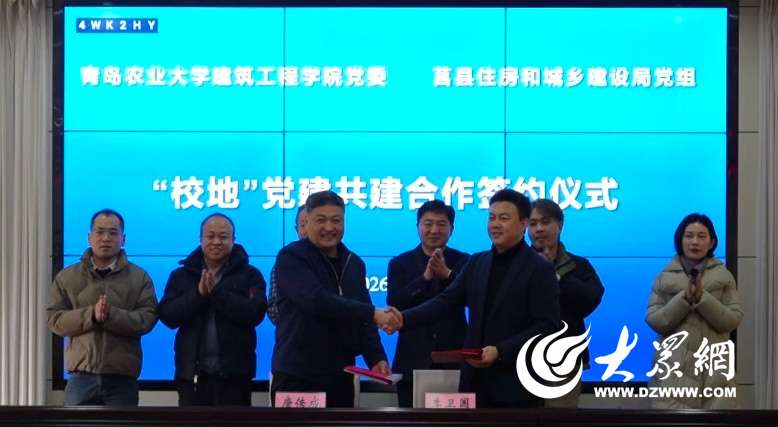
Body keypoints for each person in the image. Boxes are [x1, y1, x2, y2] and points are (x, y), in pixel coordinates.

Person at [390, 189, 560, 408]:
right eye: (492, 218)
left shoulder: (539, 268)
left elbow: (547, 325)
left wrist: (500, 351)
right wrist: (403, 318)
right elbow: (446, 301)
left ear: (523, 223)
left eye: (503, 218)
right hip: (474, 383)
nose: (495, 224)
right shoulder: (478, 262)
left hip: (517, 385)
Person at [271, 191, 398, 408]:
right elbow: (317, 301)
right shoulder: (291, 257)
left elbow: (363, 318)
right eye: (321, 220)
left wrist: (376, 358)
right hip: (298, 376)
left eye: (336, 220)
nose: (329, 227)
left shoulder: (354, 263)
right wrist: (373, 314)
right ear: (307, 222)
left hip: (341, 376)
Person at [47, 209, 158, 406]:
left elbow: (147, 319)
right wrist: (91, 315)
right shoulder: (67, 277)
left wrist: (110, 316)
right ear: (89, 237)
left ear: (123, 239)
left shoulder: (139, 277)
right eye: (99, 231)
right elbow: (55, 320)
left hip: (122, 380)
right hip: (80, 378)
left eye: (113, 233)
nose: (106, 238)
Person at [158, 213, 267, 406]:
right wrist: (198, 295)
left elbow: (255, 313)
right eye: (210, 236)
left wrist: (217, 293)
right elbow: (167, 316)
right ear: (200, 239)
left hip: (235, 377)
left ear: (233, 240)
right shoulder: (181, 275)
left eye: (223, 237)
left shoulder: (250, 275)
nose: (216, 242)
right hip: (191, 376)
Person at [645, 213, 742, 409]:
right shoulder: (664, 278)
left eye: (701, 236)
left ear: (712, 242)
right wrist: (684, 300)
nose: (695, 242)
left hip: (716, 378)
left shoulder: (724, 277)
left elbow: (733, 320)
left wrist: (702, 300)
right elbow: (654, 320)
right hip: (673, 377)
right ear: (680, 240)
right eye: (689, 236)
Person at [386, 200, 469, 408]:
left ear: (452, 229)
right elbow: (394, 303)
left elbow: (472, 298)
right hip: (411, 360)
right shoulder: (400, 263)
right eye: (428, 224)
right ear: (418, 227)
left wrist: (447, 274)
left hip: (454, 360)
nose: (434, 230)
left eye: (441, 224)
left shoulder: (465, 261)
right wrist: (425, 279)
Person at [528, 199, 604, 408]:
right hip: (520, 356)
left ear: (560, 225)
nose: (539, 229)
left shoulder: (579, 265)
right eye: (533, 224)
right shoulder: (518, 264)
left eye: (545, 222)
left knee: (560, 418)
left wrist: (555, 276)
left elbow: (590, 300)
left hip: (564, 359)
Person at [267, 204, 307, 325]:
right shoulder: (285, 261)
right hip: (294, 334)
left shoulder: (345, 260)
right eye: (303, 225)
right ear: (297, 229)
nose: (308, 230)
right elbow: (273, 310)